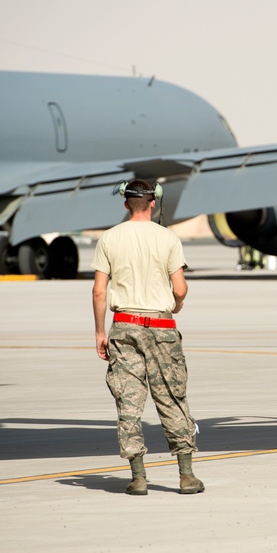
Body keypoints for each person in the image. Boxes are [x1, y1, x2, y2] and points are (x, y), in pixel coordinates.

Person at [92, 179, 204, 496]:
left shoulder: (109, 239)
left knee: (128, 402)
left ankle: (138, 477)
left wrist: (100, 331)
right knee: (171, 397)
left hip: (124, 325)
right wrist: (177, 304)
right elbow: (179, 288)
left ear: (126, 203)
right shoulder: (168, 239)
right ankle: (186, 476)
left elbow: (100, 291)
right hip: (162, 327)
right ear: (153, 202)